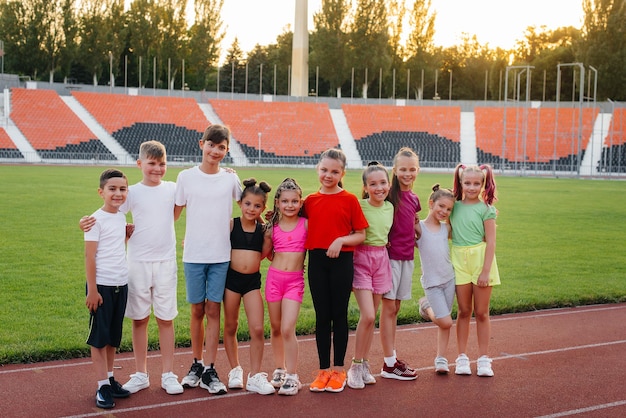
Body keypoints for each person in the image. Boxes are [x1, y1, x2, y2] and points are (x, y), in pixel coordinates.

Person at [80, 141, 184, 395]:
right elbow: (109, 211)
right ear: (140, 164)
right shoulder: (131, 192)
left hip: (165, 262)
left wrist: (228, 172)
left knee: (165, 318)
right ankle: (140, 373)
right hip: (136, 263)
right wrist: (84, 221)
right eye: (151, 163)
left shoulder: (172, 189)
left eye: (162, 164)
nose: (157, 168)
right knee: (139, 319)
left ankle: (168, 374)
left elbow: (179, 208)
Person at [174, 124, 242, 394]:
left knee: (214, 310)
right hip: (193, 255)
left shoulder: (229, 179)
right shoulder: (185, 177)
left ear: (227, 150)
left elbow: (248, 207)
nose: (215, 151)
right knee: (196, 310)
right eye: (211, 145)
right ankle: (196, 363)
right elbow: (173, 213)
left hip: (220, 256)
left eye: (221, 147)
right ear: (201, 144)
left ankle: (210, 369)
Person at [303, 148, 368, 393]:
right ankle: (323, 371)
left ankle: (339, 370)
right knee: (322, 316)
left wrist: (341, 241)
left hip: (341, 262)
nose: (328, 175)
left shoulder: (349, 200)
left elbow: (361, 234)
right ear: (317, 169)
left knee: (339, 315)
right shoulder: (309, 201)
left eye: (334, 171)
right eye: (324, 170)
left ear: (342, 173)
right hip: (317, 261)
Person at [84, 168, 131, 409]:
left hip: (120, 285)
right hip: (101, 286)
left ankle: (110, 378)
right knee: (100, 339)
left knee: (113, 337)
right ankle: (101, 385)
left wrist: (126, 237)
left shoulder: (121, 216)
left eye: (122, 189)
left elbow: (113, 248)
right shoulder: (94, 220)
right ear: (101, 192)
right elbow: (90, 257)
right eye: (112, 189)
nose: (117, 193)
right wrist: (92, 290)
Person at [223, 178, 275, 395]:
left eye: (257, 206)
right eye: (247, 204)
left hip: (252, 282)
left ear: (263, 208)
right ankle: (235, 369)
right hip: (231, 281)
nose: (251, 209)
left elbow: (267, 255)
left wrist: (270, 232)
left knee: (257, 328)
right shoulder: (231, 224)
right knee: (231, 325)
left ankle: (255, 375)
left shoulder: (263, 231)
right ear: (240, 203)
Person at [347, 162, 394, 390]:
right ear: (365, 187)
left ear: (389, 184)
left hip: (381, 260)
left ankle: (365, 363)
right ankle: (355, 366)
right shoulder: (358, 206)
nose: (379, 188)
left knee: (372, 317)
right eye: (373, 184)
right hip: (361, 260)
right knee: (366, 315)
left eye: (383, 183)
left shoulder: (390, 208)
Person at [450, 164, 500, 377]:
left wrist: (485, 271)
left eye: (476, 183)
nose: (471, 187)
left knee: (481, 312)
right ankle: (462, 357)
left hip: (480, 261)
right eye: (467, 183)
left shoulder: (487, 209)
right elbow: (449, 232)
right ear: (460, 183)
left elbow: (491, 242)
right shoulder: (454, 206)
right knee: (463, 311)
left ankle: (483, 359)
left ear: (483, 185)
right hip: (459, 259)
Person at [379, 147, 421, 380]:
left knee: (395, 309)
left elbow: (415, 229)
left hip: (407, 259)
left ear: (418, 170)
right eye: (403, 169)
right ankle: (388, 362)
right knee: (388, 309)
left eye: (412, 169)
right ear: (394, 170)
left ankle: (392, 359)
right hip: (390, 258)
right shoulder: (388, 195)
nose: (408, 173)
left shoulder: (414, 198)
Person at [266, 178, 308, 396]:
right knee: (275, 327)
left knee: (287, 328)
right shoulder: (271, 228)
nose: (290, 205)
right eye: (285, 201)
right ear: (277, 203)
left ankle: (293, 376)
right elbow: (265, 253)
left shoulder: (306, 224)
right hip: (274, 280)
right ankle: (280, 368)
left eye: (294, 201)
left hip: (294, 282)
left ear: (301, 202)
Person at [415, 184, 456, 374]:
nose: (444, 211)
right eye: (441, 206)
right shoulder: (419, 227)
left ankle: (441, 359)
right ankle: (426, 307)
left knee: (444, 321)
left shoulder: (446, 228)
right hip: (432, 283)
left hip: (449, 279)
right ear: (431, 203)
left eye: (448, 209)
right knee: (446, 321)